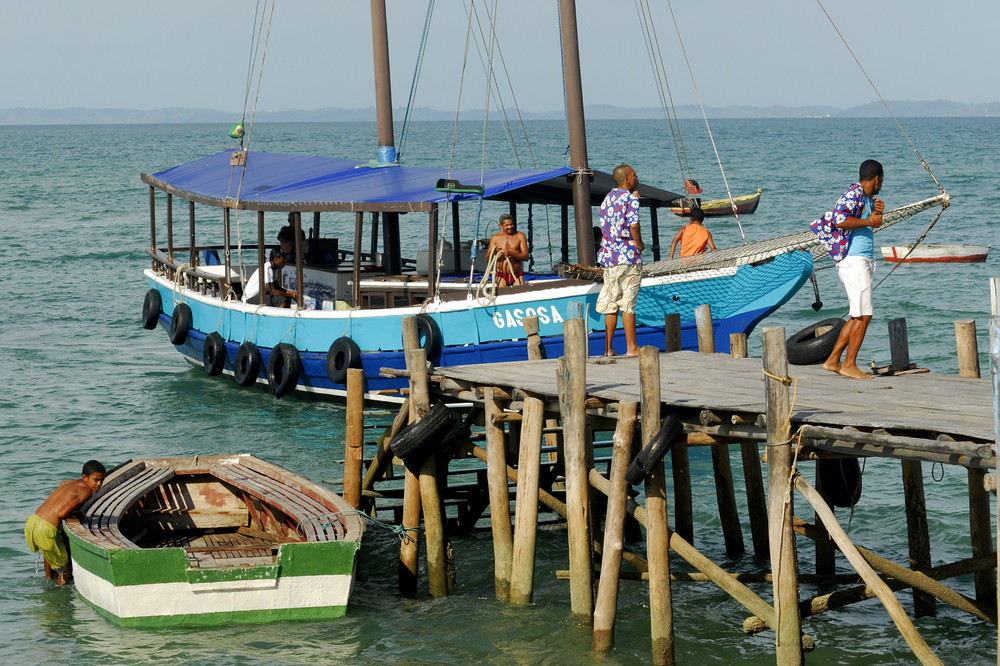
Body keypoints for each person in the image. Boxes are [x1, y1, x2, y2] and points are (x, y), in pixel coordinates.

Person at [822, 159, 885, 379]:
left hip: (860, 259)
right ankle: (849, 364)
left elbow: (872, 222)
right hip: (854, 259)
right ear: (876, 179)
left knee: (857, 315)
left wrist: (877, 214)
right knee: (864, 315)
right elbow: (839, 220)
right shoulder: (854, 194)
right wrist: (869, 221)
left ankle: (832, 360)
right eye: (881, 181)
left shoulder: (866, 198)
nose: (881, 185)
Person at [25, 460, 106, 584]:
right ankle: (60, 597)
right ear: (85, 477)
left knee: (49, 554)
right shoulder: (86, 492)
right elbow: (62, 513)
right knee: (65, 568)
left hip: (33, 521)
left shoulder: (75, 483)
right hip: (45, 529)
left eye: (101, 480)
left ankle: (48, 577)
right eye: (96, 480)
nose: (99, 484)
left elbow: (62, 483)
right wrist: (79, 513)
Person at [596, 164, 645, 357]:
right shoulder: (631, 199)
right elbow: (634, 226)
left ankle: (608, 348)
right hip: (629, 256)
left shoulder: (607, 199)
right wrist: (640, 245)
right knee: (627, 302)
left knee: (611, 303)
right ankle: (632, 347)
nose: (636, 177)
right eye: (634, 175)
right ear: (627, 179)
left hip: (609, 257)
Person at [487, 213, 529, 287]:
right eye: (507, 225)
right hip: (501, 275)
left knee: (519, 294)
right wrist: (493, 251)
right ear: (501, 226)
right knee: (501, 295)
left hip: (516, 274)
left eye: (511, 224)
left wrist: (512, 253)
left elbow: (526, 257)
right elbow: (487, 259)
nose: (510, 227)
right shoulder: (495, 237)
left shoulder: (520, 236)